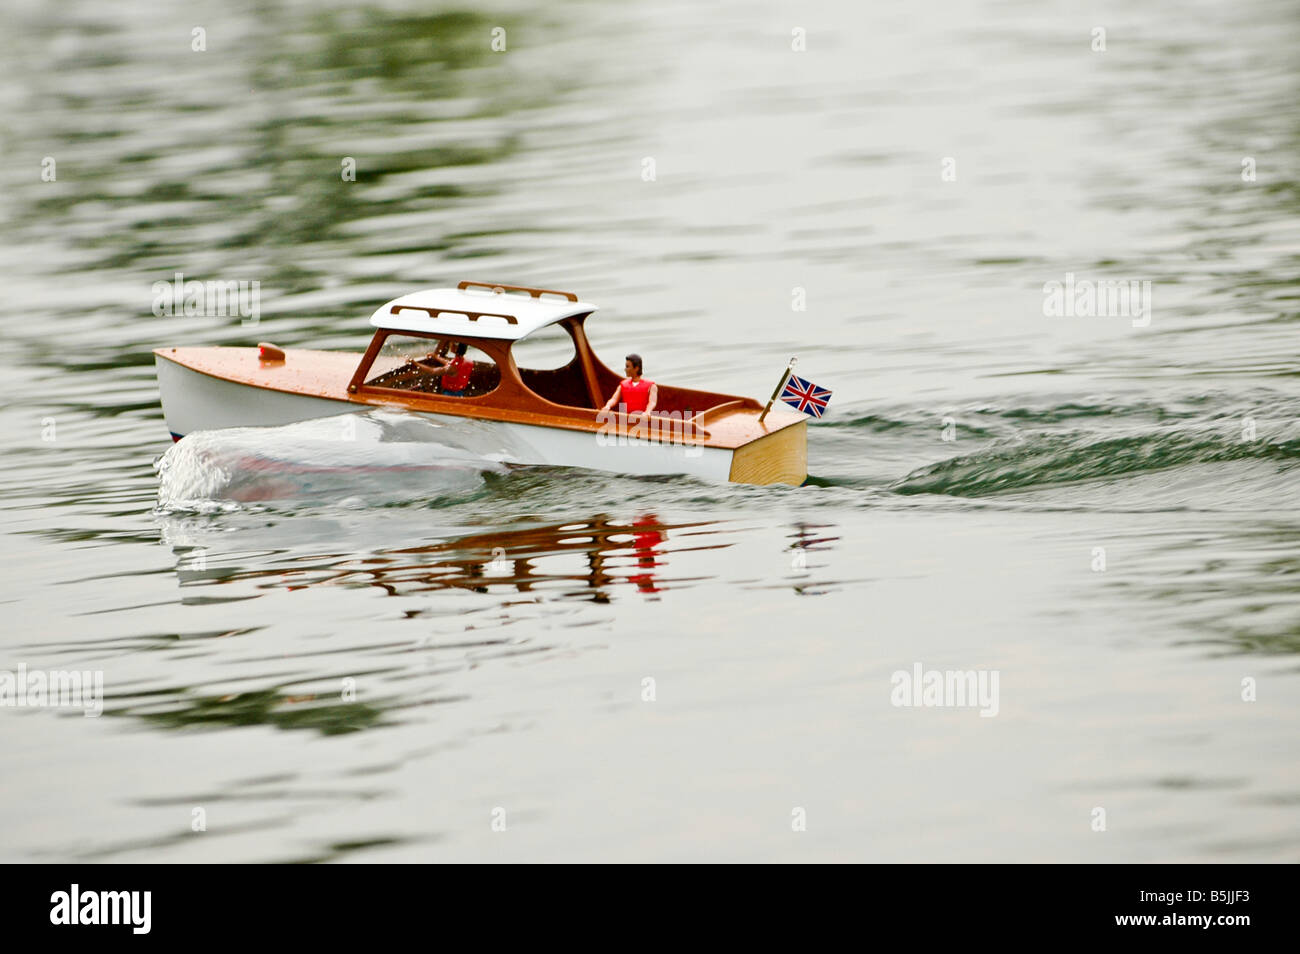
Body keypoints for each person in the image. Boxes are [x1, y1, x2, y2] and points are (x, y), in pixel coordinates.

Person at [600, 354, 657, 420]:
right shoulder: (623, 385)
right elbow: (614, 399)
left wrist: (647, 412)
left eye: (627, 367)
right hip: (627, 419)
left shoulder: (651, 386)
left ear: (636, 368)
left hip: (643, 419)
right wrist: (607, 406)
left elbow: (652, 402)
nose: (625, 369)